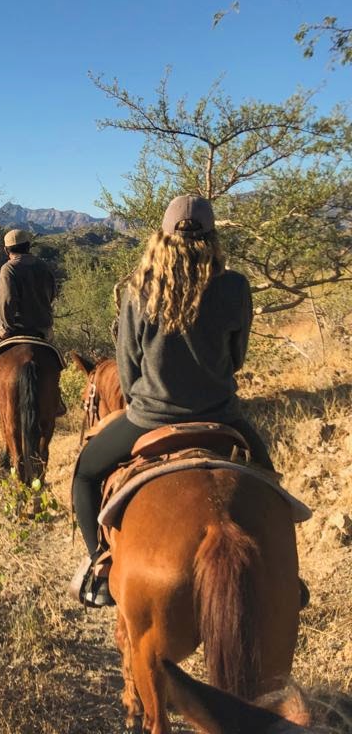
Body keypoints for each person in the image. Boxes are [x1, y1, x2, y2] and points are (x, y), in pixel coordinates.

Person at [71, 194, 275, 607]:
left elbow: (128, 371)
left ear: (162, 237)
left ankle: (101, 564)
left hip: (149, 418)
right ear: (212, 237)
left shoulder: (139, 289)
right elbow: (237, 358)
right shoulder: (235, 287)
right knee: (270, 480)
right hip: (224, 417)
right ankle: (285, 572)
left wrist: (148, 396)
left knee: (85, 475)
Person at [0, 228, 56, 411]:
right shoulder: (43, 267)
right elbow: (52, 293)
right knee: (54, 357)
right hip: (42, 328)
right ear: (29, 246)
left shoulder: (9, 268)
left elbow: (6, 300)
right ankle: (56, 396)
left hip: (13, 326)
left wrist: (7, 325)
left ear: (7, 251)